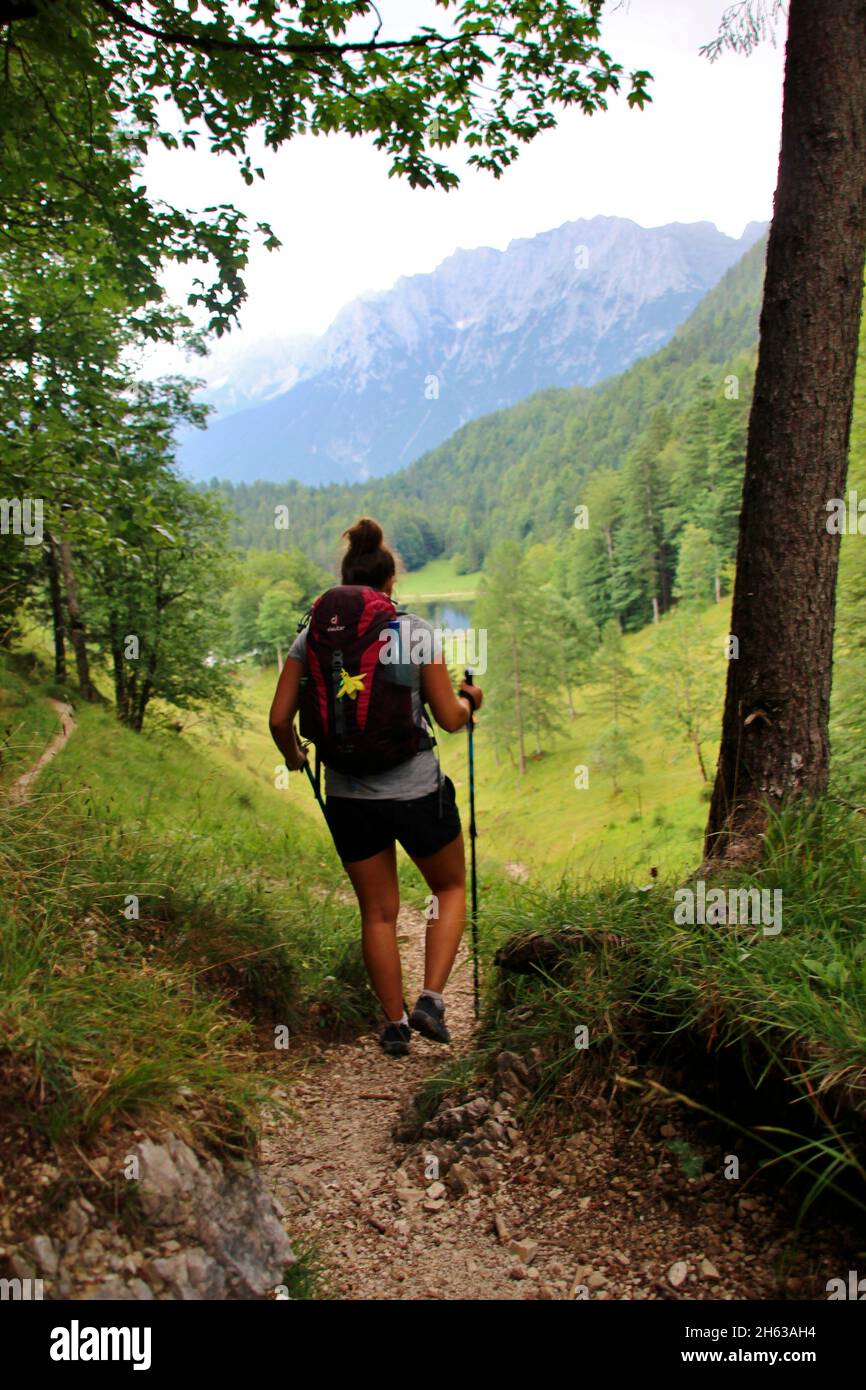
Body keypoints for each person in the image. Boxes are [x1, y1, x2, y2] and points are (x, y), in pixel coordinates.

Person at [268, 517, 483, 1056]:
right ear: (388, 588)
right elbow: (450, 719)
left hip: (347, 796)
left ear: (345, 583)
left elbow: (278, 720)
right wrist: (471, 701)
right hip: (415, 792)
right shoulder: (413, 632)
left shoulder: (308, 636)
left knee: (378, 912)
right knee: (449, 888)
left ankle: (393, 1026)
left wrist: (296, 757)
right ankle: (431, 998)